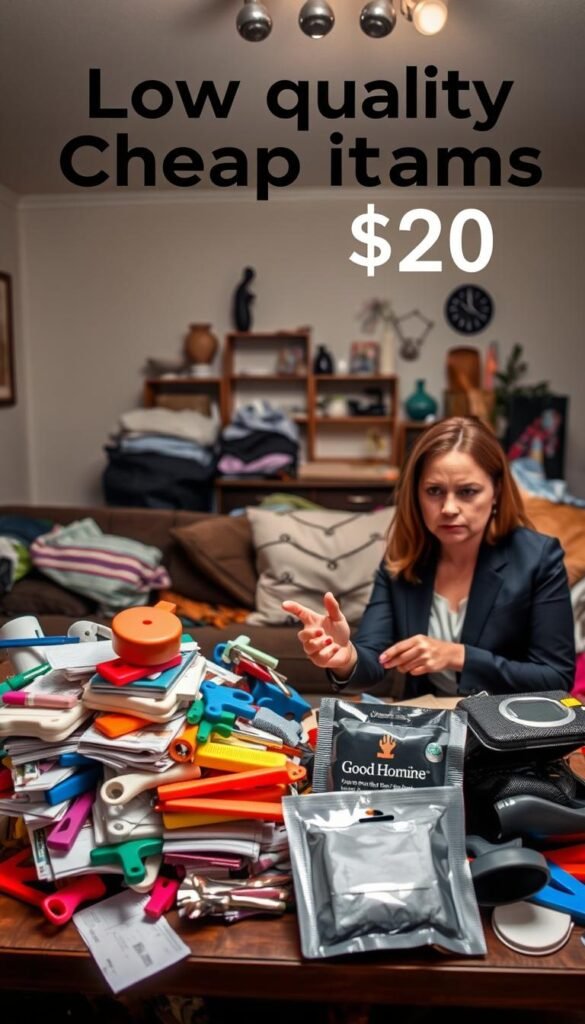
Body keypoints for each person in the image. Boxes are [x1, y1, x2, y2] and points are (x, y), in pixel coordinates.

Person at [282, 417, 576, 698]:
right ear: (416, 494)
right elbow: (373, 658)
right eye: (434, 491)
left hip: (508, 734)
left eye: (467, 492)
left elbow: (555, 679)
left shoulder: (539, 558)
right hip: (430, 732)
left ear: (496, 491)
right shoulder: (403, 560)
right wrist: (345, 656)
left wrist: (458, 655)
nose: (448, 507)